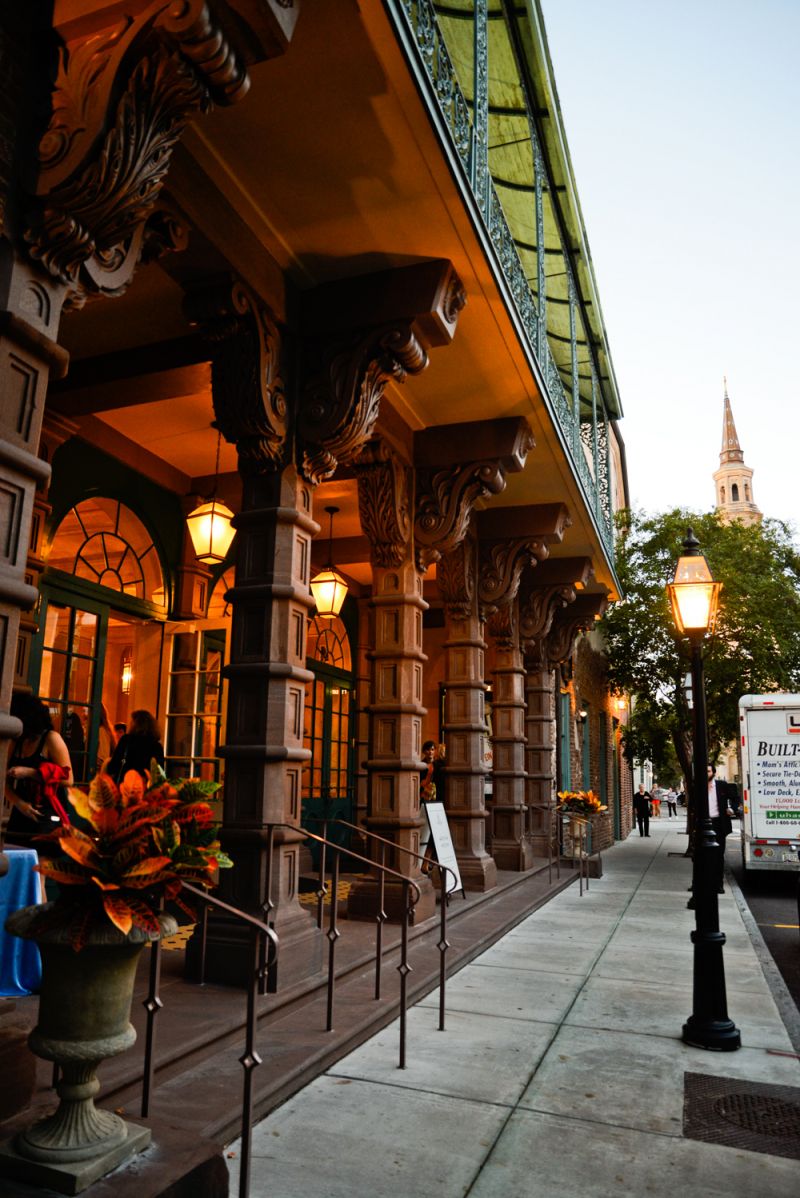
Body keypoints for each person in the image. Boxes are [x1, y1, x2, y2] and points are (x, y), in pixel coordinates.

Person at [4, 693, 73, 846]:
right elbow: (2, 780)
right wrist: (18, 803)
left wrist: (29, 772)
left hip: (48, 816)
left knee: (42, 863)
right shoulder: (17, 742)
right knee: (16, 857)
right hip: (21, 812)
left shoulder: (51, 739)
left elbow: (69, 779)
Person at [687, 765, 735, 908]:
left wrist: (732, 807)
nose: (706, 773)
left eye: (708, 771)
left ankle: (718, 885)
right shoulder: (697, 787)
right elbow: (692, 805)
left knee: (718, 855)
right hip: (702, 823)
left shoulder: (722, 785)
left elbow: (735, 797)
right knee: (699, 856)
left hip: (719, 824)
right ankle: (696, 885)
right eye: (704, 770)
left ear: (713, 773)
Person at [106, 709, 165, 783]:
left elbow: (113, 766)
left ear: (135, 724)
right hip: (146, 787)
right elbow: (160, 773)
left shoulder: (126, 740)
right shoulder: (157, 746)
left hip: (125, 785)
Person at [419, 740, 445, 862]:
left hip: (437, 801)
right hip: (423, 800)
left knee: (436, 829)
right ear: (424, 751)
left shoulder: (438, 765)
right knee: (424, 829)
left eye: (433, 749)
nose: (430, 751)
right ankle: (424, 858)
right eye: (428, 749)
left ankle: (427, 858)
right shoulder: (421, 765)